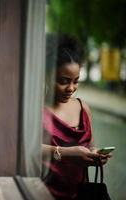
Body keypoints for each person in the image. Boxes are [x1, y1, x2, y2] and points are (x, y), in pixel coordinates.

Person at [42, 34, 111, 200]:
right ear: (46, 75)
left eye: (76, 81)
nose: (71, 88)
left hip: (80, 194)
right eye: (64, 81)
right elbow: (24, 151)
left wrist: (95, 154)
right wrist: (66, 153)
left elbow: (90, 146)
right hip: (44, 193)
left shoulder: (83, 108)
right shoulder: (35, 111)